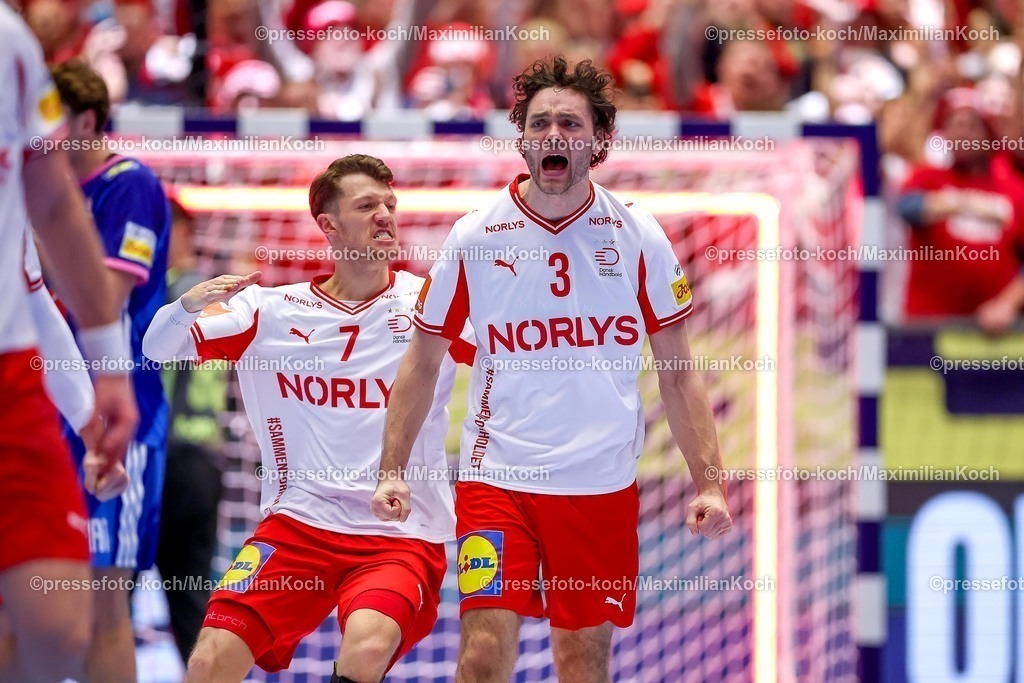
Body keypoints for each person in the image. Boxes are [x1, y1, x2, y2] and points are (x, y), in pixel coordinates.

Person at [372, 56, 733, 682]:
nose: (554, 136)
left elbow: (677, 372)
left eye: (570, 123)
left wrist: (710, 484)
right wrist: (392, 470)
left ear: (599, 140)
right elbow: (422, 362)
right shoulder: (476, 237)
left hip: (598, 486)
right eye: (539, 124)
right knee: (482, 655)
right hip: (497, 480)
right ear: (523, 139)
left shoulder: (637, 235)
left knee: (581, 661)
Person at [143, 154, 472, 683]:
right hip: (298, 525)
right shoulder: (269, 311)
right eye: (367, 206)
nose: (385, 214)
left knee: (365, 649)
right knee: (207, 661)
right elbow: (157, 349)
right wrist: (184, 307)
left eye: (390, 204)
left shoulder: (430, 305)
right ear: (329, 225)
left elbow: (514, 360)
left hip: (398, 532)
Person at [0, 5, 137, 680]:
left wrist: (96, 399)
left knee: (59, 624)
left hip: (10, 376)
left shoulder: (10, 46)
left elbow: (47, 229)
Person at [50, 58, 171, 683]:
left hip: (121, 414)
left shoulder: (128, 183)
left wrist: (38, 238)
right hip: (50, 410)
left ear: (86, 120)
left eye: (50, 118)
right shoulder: (46, 197)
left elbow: (107, 294)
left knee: (105, 600)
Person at [154, 190, 226, 663]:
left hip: (166, 456)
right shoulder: (215, 294)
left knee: (113, 592)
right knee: (192, 600)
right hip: (203, 462)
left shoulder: (170, 298)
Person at [897, 87, 1024, 333]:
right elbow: (907, 208)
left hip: (996, 330)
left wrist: (1007, 303)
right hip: (928, 325)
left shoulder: (1013, 189)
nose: (962, 132)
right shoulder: (927, 177)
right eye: (954, 125)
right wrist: (961, 203)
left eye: (970, 125)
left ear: (988, 133)